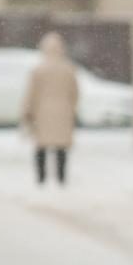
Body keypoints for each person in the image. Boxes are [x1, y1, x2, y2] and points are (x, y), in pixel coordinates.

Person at [22, 32, 79, 185]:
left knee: (41, 146)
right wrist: (72, 109)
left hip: (42, 112)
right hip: (63, 112)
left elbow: (31, 94)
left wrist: (27, 112)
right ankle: (61, 177)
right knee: (61, 147)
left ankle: (41, 178)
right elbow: (75, 92)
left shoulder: (38, 70)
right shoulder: (69, 69)